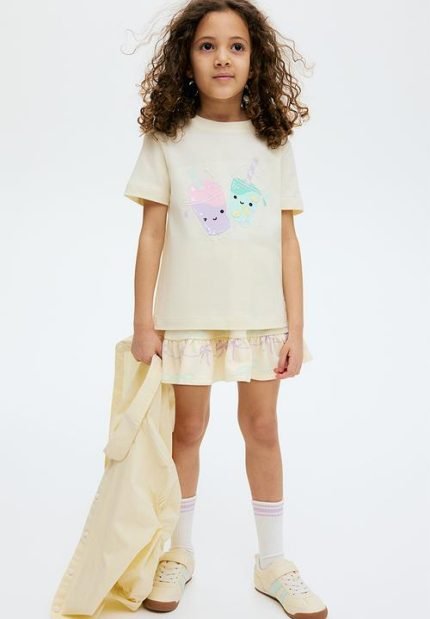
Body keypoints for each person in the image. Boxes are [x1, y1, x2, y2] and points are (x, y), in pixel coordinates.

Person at [123, 1, 328, 617]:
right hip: (186, 316)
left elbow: (287, 240)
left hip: (260, 318)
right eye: (207, 45)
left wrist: (296, 327)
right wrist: (143, 322)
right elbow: (151, 235)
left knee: (262, 429)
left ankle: (273, 561)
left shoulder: (272, 140)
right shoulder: (168, 138)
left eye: (236, 46)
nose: (222, 58)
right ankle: (178, 552)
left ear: (255, 59)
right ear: (185, 58)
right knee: (186, 431)